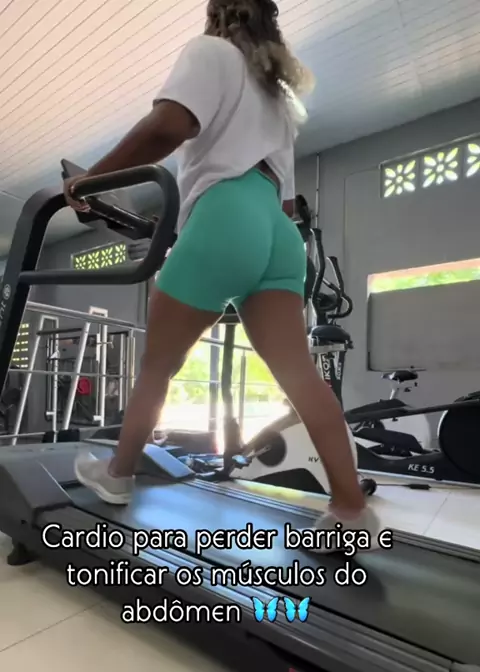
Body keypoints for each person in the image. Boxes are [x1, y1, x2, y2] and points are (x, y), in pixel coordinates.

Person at [65, 0, 381, 552]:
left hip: (226, 212)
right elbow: (285, 202)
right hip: (279, 231)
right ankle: (351, 510)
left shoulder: (208, 51)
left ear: (217, 15)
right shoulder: (275, 96)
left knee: (158, 366)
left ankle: (116, 475)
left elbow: (170, 125)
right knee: (301, 376)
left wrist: (90, 180)